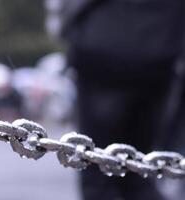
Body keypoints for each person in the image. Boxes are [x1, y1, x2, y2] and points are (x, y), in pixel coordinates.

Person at [55, 0, 185, 199]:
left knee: (98, 167)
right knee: (139, 170)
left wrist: (68, 30)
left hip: (102, 49)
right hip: (157, 54)